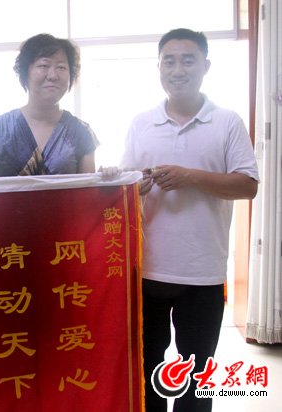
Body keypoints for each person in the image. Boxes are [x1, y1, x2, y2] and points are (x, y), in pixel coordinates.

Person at [118, 28, 258, 411]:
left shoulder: (227, 121)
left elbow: (248, 185)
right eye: (169, 61)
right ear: (159, 67)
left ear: (205, 66)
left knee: (197, 376)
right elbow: (125, 185)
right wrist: (135, 186)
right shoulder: (141, 123)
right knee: (147, 367)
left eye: (188, 60)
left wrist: (190, 177)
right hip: (147, 270)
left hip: (203, 273)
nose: (177, 69)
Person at [0, 33, 99, 182]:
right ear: (25, 73)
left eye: (61, 67)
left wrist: (108, 180)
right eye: (44, 66)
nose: (53, 75)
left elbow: (88, 190)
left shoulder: (82, 132)